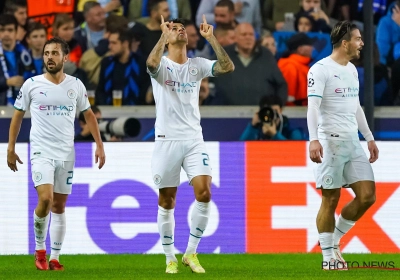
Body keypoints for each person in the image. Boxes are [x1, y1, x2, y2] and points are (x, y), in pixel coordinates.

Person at [7, 37, 106, 271]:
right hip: (41, 151)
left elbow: (89, 115)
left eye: (54, 53)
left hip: (66, 152)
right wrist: (11, 148)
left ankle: (55, 257)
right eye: (46, 53)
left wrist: (99, 145)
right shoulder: (31, 84)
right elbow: (17, 115)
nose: (49, 57)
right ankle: (40, 250)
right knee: (45, 199)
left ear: (65, 57)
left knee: (59, 207)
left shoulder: (76, 85)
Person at [146, 14, 234, 273]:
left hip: (194, 139)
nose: (181, 31)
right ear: (167, 35)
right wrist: (163, 36)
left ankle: (191, 253)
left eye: (183, 28)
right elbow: (150, 64)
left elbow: (227, 67)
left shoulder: (197, 65)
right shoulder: (162, 65)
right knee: (167, 201)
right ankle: (169, 257)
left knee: (204, 193)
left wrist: (212, 37)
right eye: (175, 28)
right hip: (167, 140)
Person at [307, 21, 379, 270]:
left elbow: (356, 106)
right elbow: (313, 107)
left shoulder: (351, 70)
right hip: (330, 141)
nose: (362, 43)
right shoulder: (320, 70)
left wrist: (369, 137)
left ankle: (334, 240)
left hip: (353, 142)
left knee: (368, 196)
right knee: (330, 198)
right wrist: (313, 139)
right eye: (358, 39)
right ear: (345, 43)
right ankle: (328, 258)